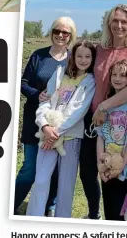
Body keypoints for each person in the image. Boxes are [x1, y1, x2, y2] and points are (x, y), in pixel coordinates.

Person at [80, 4, 127, 219]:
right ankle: (96, 213)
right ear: (109, 22)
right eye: (115, 20)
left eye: (124, 21)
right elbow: (81, 69)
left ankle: (120, 219)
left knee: (122, 173)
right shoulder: (99, 49)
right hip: (96, 121)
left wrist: (104, 106)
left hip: (124, 122)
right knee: (94, 170)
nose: (119, 25)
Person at [26, 40, 96, 218]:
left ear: (93, 59)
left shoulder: (90, 81)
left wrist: (56, 132)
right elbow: (46, 102)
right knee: (41, 180)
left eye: (87, 56)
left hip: (70, 138)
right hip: (47, 136)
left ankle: (61, 221)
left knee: (66, 185)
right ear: (72, 57)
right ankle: (33, 218)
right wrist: (45, 125)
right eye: (79, 55)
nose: (83, 59)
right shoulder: (59, 74)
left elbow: (78, 112)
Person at [14, 16, 77, 215]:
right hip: (35, 120)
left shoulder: (73, 60)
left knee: (56, 170)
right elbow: (23, 82)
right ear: (51, 33)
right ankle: (10, 206)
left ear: (70, 36)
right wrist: (35, 94)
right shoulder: (38, 56)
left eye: (65, 32)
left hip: (60, 125)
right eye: (57, 31)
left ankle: (50, 206)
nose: (60, 35)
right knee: (29, 169)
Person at [96, 59, 127, 221]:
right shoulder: (106, 104)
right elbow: (100, 136)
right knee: (109, 210)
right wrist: (100, 164)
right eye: (114, 75)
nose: (117, 78)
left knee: (121, 212)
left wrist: (121, 166)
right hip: (107, 165)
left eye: (123, 75)